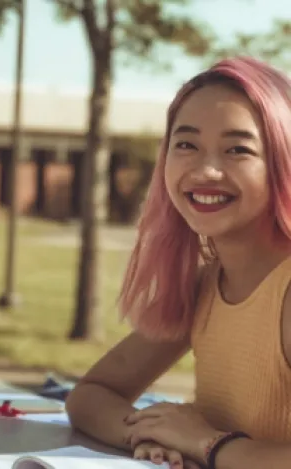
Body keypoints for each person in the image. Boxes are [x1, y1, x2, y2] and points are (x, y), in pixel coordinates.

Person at [65, 56, 291, 469]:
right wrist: (148, 436)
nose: (205, 170)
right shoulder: (209, 283)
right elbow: (91, 394)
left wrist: (208, 444)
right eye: (185, 144)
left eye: (238, 149)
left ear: (282, 163)